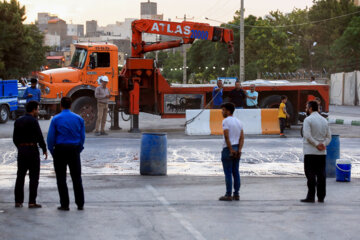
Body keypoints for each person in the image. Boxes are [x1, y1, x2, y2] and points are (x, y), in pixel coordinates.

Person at [47, 97, 85, 211]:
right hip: (74, 149)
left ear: (61, 105)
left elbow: (50, 138)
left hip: (60, 150)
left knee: (61, 178)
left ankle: (65, 204)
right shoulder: (78, 119)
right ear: (71, 105)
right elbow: (82, 137)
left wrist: (52, 151)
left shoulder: (56, 119)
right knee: (76, 177)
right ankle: (80, 204)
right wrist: (79, 148)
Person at [13, 101, 47, 208]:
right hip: (32, 151)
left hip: (22, 151)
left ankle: (18, 201)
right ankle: (32, 202)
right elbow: (39, 136)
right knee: (34, 177)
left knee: (20, 176)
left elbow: (15, 138)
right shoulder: (33, 121)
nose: (38, 111)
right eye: (37, 109)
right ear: (33, 110)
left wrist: (21, 147)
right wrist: (44, 149)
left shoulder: (18, 121)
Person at [301, 101, 331, 203]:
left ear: (310, 109)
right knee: (321, 174)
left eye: (306, 107)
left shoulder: (308, 120)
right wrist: (323, 144)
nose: (306, 109)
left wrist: (316, 144)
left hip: (310, 152)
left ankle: (311, 196)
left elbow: (307, 135)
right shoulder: (324, 120)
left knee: (310, 174)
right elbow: (329, 137)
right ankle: (321, 197)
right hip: (321, 153)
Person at [219, 102, 245, 201]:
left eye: (223, 110)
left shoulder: (225, 121)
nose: (222, 112)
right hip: (237, 147)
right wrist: (239, 150)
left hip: (228, 149)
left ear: (228, 111)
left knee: (228, 172)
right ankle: (236, 194)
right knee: (236, 172)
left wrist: (230, 149)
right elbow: (242, 137)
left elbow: (226, 136)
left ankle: (228, 194)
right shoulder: (239, 122)